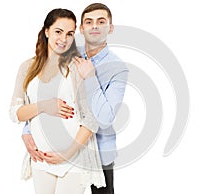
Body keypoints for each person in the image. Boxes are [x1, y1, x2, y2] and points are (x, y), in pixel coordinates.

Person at [22, 3, 129, 194]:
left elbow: (105, 118)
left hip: (98, 153)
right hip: (59, 147)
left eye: (101, 21)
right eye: (89, 22)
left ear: (110, 28)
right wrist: (27, 129)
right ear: (81, 29)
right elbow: (46, 92)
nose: (94, 26)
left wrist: (90, 78)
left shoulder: (117, 68)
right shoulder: (66, 52)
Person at [9, 8, 105, 194]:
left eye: (69, 34)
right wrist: (45, 105)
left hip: (73, 158)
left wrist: (67, 153)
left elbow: (91, 119)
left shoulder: (78, 68)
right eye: (58, 32)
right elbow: (16, 112)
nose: (64, 39)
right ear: (46, 31)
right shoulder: (27, 67)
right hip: (42, 158)